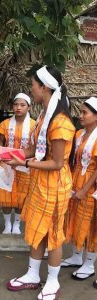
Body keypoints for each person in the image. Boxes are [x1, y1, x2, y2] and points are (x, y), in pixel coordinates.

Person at [0, 66, 75, 299]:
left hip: (55, 186)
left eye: (33, 85)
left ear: (44, 87)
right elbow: (31, 150)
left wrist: (23, 165)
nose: (31, 88)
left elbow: (57, 163)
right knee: (37, 230)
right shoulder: (44, 118)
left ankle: (53, 281)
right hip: (40, 183)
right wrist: (3, 155)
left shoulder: (60, 123)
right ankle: (33, 274)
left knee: (52, 235)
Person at [61, 97, 97, 287]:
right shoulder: (79, 134)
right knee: (75, 219)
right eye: (81, 111)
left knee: (90, 223)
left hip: (91, 185)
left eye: (85, 112)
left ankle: (89, 264)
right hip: (76, 179)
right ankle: (76, 256)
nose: (80, 115)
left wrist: (84, 189)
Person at [0, 93, 36, 234]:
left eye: (22, 105)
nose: (18, 108)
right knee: (5, 194)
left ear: (29, 107)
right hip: (7, 163)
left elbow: (36, 146)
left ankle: (17, 225)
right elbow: (1, 140)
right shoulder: (5, 124)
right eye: (16, 104)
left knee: (21, 195)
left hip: (25, 165)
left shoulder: (34, 125)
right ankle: (7, 224)